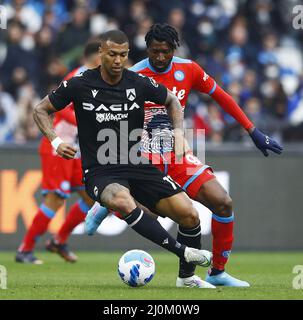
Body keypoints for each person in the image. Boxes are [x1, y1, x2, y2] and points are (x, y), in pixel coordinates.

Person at [86, 24, 283, 287]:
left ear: (173, 49)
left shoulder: (188, 69)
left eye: (165, 51)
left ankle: (216, 272)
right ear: (147, 49)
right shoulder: (132, 75)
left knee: (222, 202)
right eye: (154, 51)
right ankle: (108, 203)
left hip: (177, 153)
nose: (159, 57)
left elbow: (222, 97)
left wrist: (252, 129)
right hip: (143, 156)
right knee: (152, 216)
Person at [32, 29, 216, 289]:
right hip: (100, 171)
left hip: (137, 162)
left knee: (189, 215)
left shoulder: (137, 82)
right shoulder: (80, 84)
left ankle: (186, 278)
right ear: (101, 54)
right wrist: (56, 141)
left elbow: (172, 101)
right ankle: (182, 251)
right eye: (112, 55)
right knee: (121, 199)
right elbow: (41, 110)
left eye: (123, 55)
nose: (118, 60)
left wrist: (177, 134)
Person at [15, 40, 101, 264]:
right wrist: (89, 122)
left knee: (91, 198)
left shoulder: (96, 79)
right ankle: (25, 249)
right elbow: (60, 110)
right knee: (55, 200)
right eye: (107, 56)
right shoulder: (78, 77)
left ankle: (59, 240)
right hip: (57, 147)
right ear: (96, 57)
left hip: (74, 150)